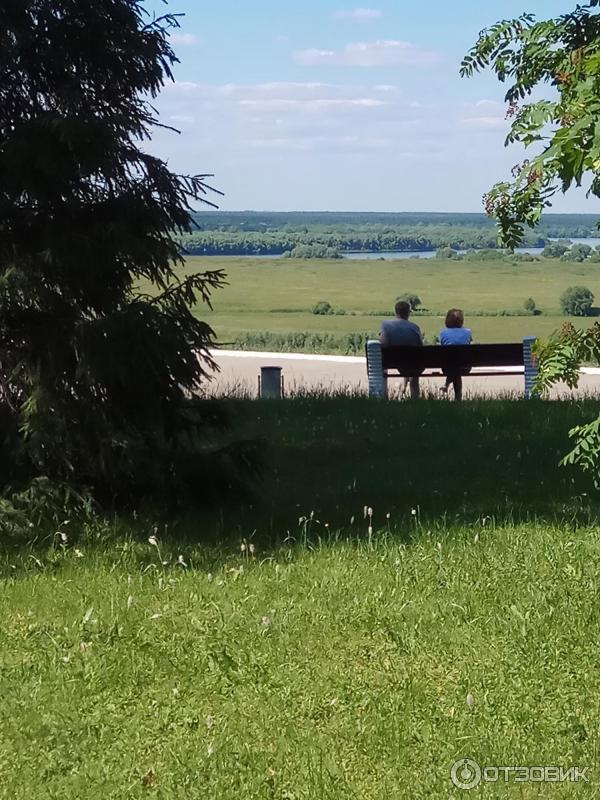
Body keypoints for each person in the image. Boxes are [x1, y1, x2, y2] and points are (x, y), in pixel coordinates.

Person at [380, 300, 423, 398]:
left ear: (396, 312)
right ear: (408, 313)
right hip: (411, 362)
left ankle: (385, 396)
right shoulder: (415, 328)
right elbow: (420, 347)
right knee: (414, 363)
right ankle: (415, 397)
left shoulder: (386, 325)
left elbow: (384, 345)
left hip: (391, 361)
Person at [439, 308, 472, 400]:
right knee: (457, 366)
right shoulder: (468, 332)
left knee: (453, 365)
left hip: (447, 366)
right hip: (465, 366)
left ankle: (446, 385)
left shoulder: (443, 333)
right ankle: (458, 397)